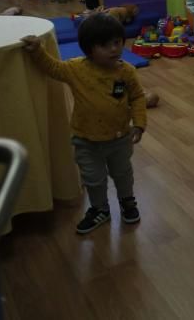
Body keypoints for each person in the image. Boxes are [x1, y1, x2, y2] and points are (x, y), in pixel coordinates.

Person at [20, 13, 147, 234]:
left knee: (123, 173)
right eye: (105, 45)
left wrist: (139, 123)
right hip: (86, 140)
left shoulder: (126, 71)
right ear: (89, 49)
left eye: (117, 42)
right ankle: (100, 209)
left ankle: (127, 201)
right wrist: (38, 51)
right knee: (93, 179)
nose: (114, 49)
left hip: (119, 138)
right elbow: (53, 68)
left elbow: (137, 97)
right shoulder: (76, 68)